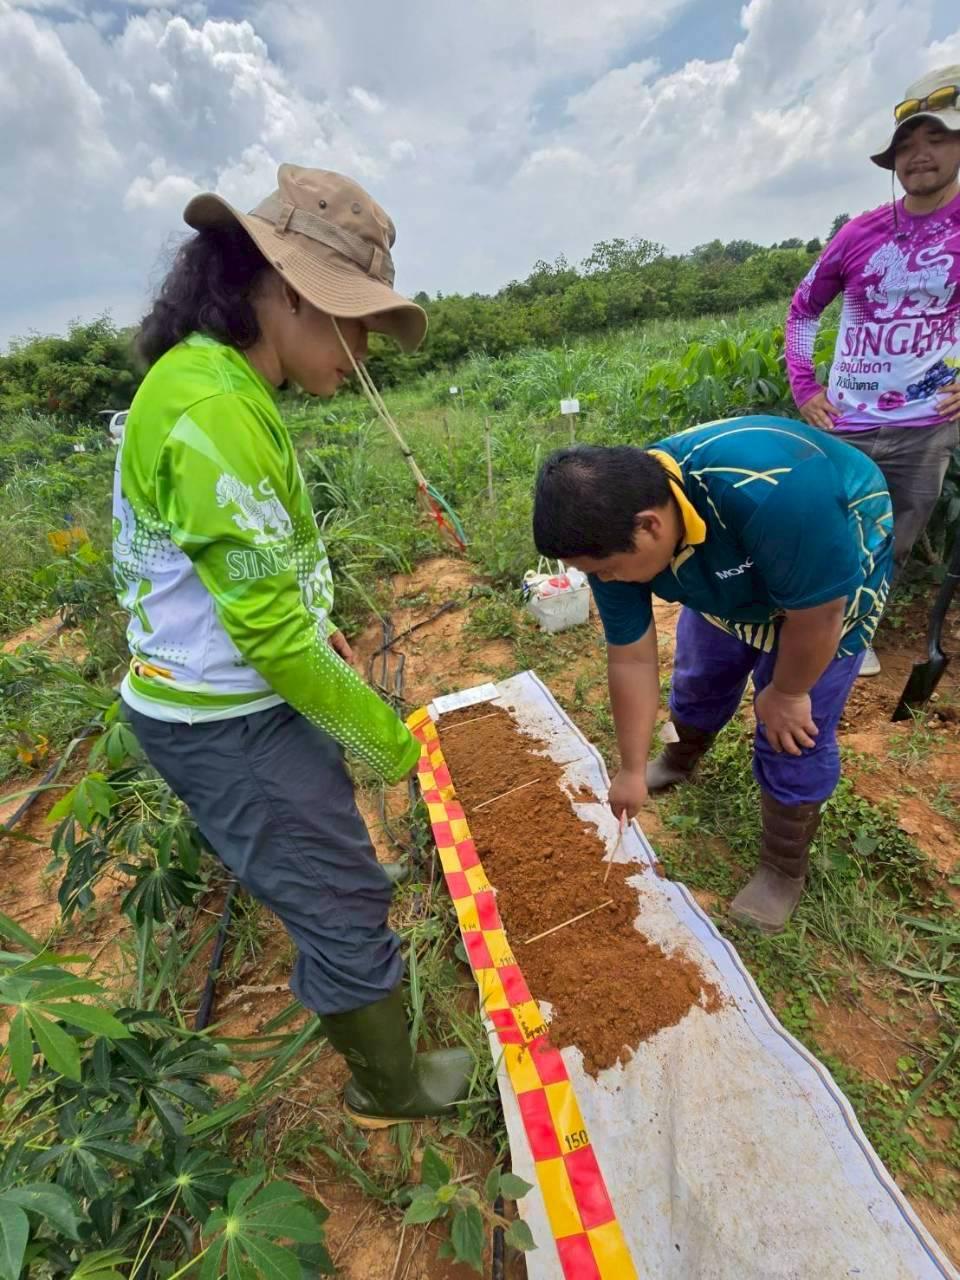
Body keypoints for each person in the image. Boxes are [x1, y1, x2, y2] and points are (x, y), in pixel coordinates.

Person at [114, 164, 473, 1126]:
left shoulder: (218, 380)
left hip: (245, 699)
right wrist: (395, 743)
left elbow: (261, 586)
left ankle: (337, 876)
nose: (359, 351)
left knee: (323, 836)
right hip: (224, 720)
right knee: (340, 906)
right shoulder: (212, 410)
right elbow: (269, 637)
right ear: (284, 292)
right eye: (353, 321)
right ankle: (388, 1087)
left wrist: (324, 630)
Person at [532, 415, 893, 934]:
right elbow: (631, 657)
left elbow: (820, 616)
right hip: (732, 568)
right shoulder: (610, 531)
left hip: (828, 568)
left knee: (790, 730)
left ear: (650, 526)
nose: (603, 582)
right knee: (701, 675)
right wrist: (630, 769)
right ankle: (680, 757)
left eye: (606, 570)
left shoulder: (774, 496)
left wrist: (789, 692)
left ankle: (783, 868)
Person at [787, 65, 960, 677]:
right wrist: (805, 386)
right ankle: (806, 627)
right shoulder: (859, 233)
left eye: (936, 139)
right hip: (846, 421)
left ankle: (855, 635)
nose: (920, 156)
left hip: (926, 424)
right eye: (907, 146)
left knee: (893, 539)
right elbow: (804, 308)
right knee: (825, 526)